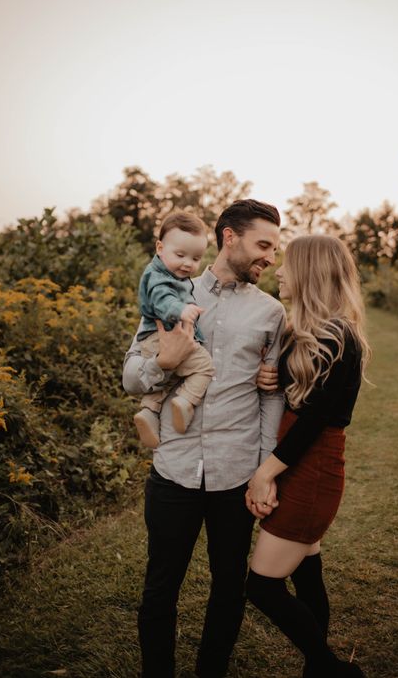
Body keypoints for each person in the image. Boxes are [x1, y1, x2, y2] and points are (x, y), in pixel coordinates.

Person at [122, 200, 287, 678]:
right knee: (160, 587)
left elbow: (269, 399)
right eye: (262, 245)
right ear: (229, 237)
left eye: (274, 249)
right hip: (173, 471)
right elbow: (132, 376)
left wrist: (263, 470)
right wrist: (163, 364)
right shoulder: (171, 288)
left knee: (229, 587)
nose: (269, 257)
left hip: (236, 475)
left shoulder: (272, 313)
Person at [245, 235, 371, 678]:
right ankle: (320, 669)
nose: (278, 271)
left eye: (288, 264)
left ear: (310, 272)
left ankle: (330, 668)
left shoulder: (339, 337)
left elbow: (314, 421)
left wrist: (265, 474)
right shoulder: (311, 332)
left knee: (261, 586)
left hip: (312, 466)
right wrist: (273, 376)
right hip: (303, 462)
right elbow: (297, 396)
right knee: (308, 570)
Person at [133, 211, 214, 448]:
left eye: (196, 258)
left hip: (154, 341)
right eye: (180, 255)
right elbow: (162, 298)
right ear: (160, 248)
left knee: (167, 376)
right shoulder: (158, 276)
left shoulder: (170, 273)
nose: (188, 263)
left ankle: (149, 411)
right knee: (204, 367)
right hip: (164, 336)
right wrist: (180, 310)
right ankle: (186, 401)